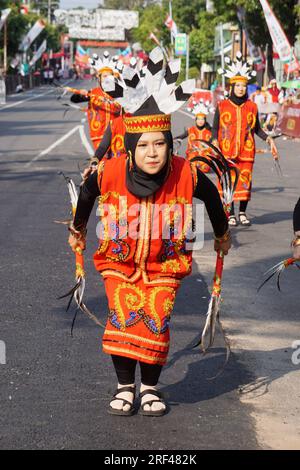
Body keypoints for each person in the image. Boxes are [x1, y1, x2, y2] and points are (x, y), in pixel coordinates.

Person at [67, 51, 231, 417]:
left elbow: (212, 198)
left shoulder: (184, 173)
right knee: (122, 318)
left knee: (156, 320)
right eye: (143, 145)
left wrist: (222, 233)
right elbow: (88, 194)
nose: (152, 152)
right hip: (118, 262)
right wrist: (78, 228)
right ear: (130, 148)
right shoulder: (109, 171)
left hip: (165, 266)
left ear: (169, 145)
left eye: (159, 143)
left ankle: (151, 389)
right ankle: (126, 387)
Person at [212, 52, 278, 227]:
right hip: (226, 151)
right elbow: (215, 128)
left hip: (247, 150)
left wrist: (268, 138)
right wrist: (214, 141)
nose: (241, 88)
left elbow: (256, 128)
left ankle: (242, 212)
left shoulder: (252, 107)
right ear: (232, 87)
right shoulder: (223, 105)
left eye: (244, 85)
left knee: (245, 181)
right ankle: (231, 214)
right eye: (238, 85)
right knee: (230, 182)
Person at [70, 52, 122, 152]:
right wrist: (81, 94)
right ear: (99, 78)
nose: (107, 79)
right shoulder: (93, 93)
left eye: (109, 76)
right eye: (104, 76)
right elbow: (74, 99)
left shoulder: (119, 93)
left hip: (116, 134)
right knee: (102, 163)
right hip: (99, 136)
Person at [175, 99, 213, 173]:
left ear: (205, 120)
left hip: (205, 154)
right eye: (198, 119)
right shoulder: (191, 130)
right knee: (192, 166)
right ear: (195, 120)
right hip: (193, 153)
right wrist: (174, 139)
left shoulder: (209, 131)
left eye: (202, 119)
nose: (200, 121)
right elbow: (182, 136)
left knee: (205, 167)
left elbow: (215, 139)